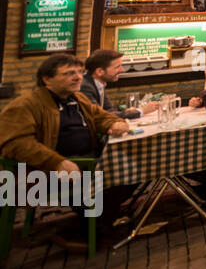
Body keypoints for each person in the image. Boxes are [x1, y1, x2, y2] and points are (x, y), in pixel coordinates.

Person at [0, 54, 132, 251]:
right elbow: (16, 143)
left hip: (86, 162)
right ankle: (91, 230)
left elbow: (99, 116)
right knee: (115, 173)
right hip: (41, 173)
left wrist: (115, 123)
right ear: (47, 79)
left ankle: (93, 224)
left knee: (134, 169)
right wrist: (56, 161)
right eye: (69, 73)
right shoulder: (27, 105)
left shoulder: (77, 98)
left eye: (80, 72)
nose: (78, 77)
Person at [80, 49, 157, 118]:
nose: (122, 70)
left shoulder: (99, 83)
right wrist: (141, 111)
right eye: (117, 67)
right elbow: (100, 116)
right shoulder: (85, 87)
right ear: (100, 71)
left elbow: (109, 110)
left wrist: (130, 111)